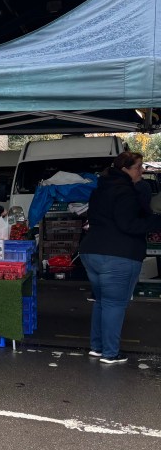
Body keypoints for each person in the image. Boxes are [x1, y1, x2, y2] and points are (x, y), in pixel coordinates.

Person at [79, 151, 161, 364]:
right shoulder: (126, 192)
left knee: (101, 302)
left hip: (91, 252)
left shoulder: (100, 189)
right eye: (138, 167)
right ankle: (110, 353)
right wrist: (155, 222)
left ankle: (97, 348)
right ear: (125, 169)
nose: (141, 171)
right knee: (114, 304)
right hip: (117, 255)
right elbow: (129, 225)